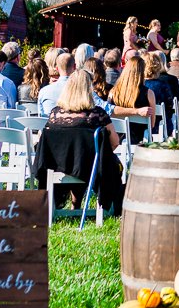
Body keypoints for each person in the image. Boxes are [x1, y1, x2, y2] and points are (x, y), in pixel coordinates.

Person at [35, 71, 124, 215]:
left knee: (78, 159)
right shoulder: (97, 114)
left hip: (60, 165)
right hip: (93, 167)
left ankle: (73, 204)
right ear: (89, 89)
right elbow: (114, 142)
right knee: (102, 161)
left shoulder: (55, 114)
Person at [109, 55, 156, 143]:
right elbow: (152, 124)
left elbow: (109, 115)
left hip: (117, 139)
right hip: (140, 140)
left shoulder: (113, 92)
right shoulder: (148, 93)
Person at [143, 52, 175, 135]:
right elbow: (170, 106)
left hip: (141, 125)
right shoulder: (163, 85)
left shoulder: (138, 85)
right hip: (161, 125)